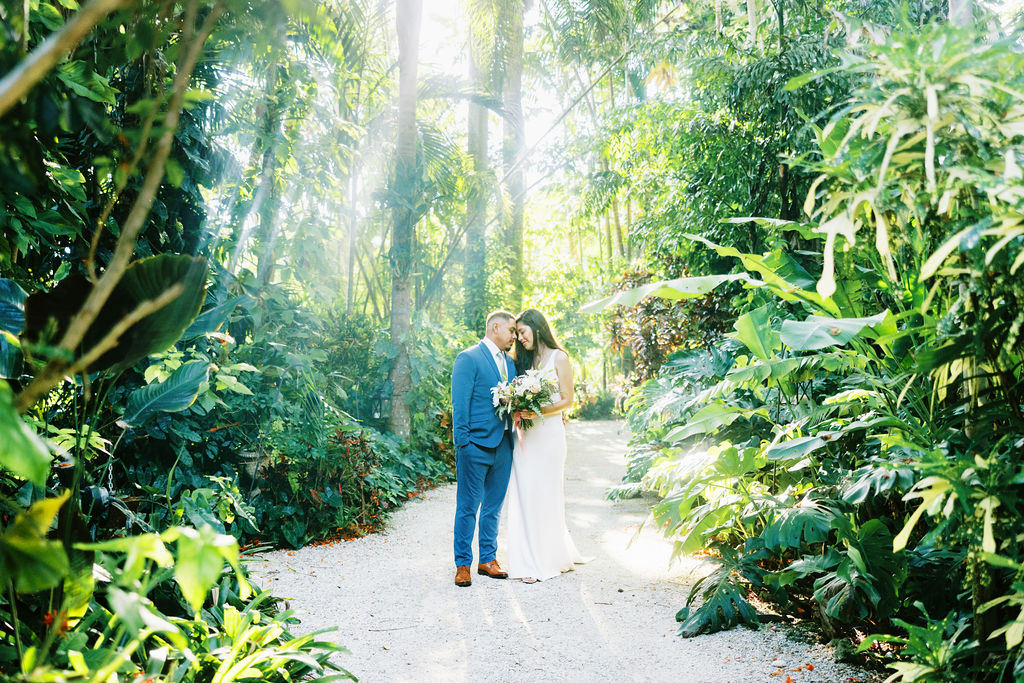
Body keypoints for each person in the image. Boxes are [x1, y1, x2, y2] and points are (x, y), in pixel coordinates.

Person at [505, 308, 589, 583]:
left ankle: (545, 559)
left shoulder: (558, 357)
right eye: (516, 333)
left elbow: (568, 400)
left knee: (546, 493)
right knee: (524, 491)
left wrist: (537, 409)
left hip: (550, 437)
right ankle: (526, 557)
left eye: (522, 332)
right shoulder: (523, 361)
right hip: (527, 438)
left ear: (536, 327)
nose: (519, 337)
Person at [450, 309, 518, 588]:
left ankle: (487, 559)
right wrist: (462, 442)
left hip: (504, 443)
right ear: (495, 327)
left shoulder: (511, 364)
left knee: (493, 506)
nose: (514, 336)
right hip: (474, 444)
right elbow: (460, 402)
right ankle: (462, 564)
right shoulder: (468, 358)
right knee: (468, 506)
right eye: (511, 330)